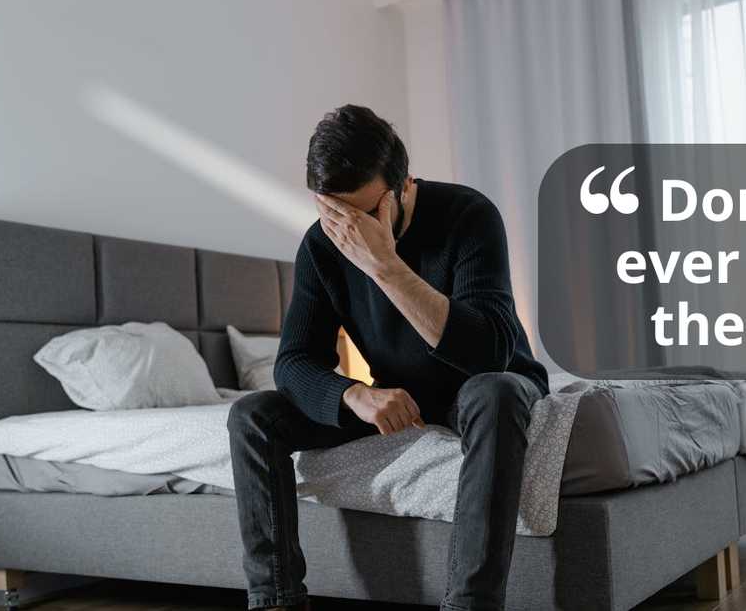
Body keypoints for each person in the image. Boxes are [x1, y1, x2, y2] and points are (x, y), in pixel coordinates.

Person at [227, 104, 548, 611]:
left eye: (364, 214)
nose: (348, 231)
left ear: (403, 186)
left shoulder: (469, 214)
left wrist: (384, 265)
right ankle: (276, 601)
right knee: (252, 415)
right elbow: (292, 363)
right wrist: (355, 395)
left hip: (487, 382)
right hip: (401, 393)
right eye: (334, 214)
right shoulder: (321, 245)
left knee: (496, 392)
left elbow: (489, 352)